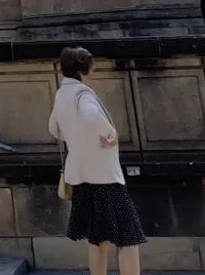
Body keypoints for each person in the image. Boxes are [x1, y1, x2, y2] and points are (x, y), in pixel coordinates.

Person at [49, 44, 145, 275]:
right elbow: (91, 115)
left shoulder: (62, 94)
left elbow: (54, 128)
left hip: (81, 176)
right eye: (91, 69)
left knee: (98, 237)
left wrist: (78, 137)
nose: (94, 73)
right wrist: (110, 134)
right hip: (104, 176)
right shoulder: (82, 94)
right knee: (128, 237)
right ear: (83, 70)